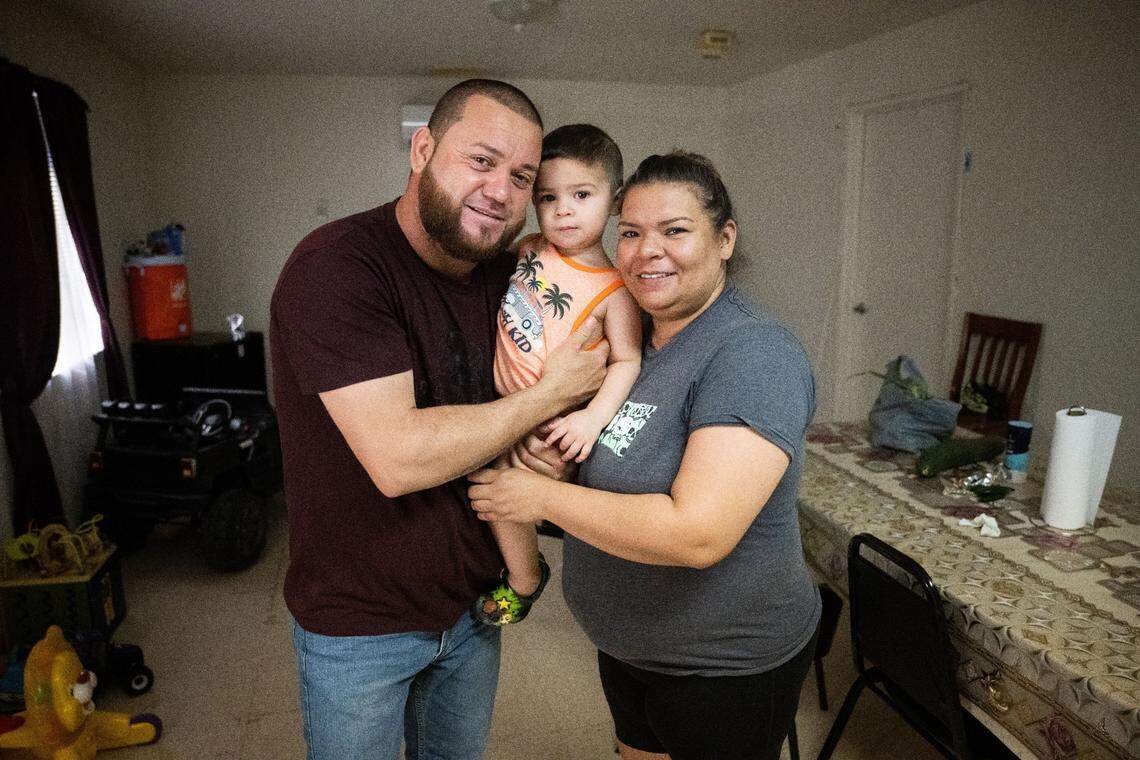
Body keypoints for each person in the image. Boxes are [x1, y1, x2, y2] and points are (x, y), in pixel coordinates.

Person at [269, 79, 608, 760]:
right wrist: (544, 401)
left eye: (521, 177)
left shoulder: (503, 275)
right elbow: (398, 460)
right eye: (480, 161)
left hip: (474, 610)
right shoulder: (337, 267)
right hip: (360, 626)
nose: (500, 191)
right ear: (422, 148)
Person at [468, 151, 822, 759]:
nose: (645, 250)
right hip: (628, 649)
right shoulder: (637, 341)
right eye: (630, 232)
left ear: (725, 239)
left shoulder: (753, 356)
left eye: (675, 231)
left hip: (721, 668)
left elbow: (698, 534)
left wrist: (542, 495)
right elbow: (625, 461)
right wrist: (560, 460)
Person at [473, 124, 642, 626]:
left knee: (500, 493)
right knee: (473, 480)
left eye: (581, 194)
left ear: (614, 202)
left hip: (549, 421)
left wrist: (592, 420)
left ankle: (524, 578)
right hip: (498, 404)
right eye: (548, 197)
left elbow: (628, 360)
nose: (563, 209)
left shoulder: (616, 290)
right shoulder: (529, 248)